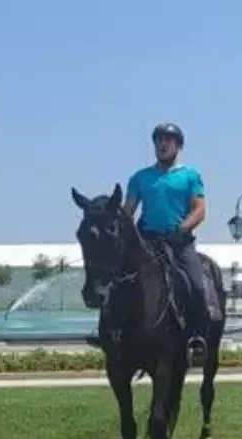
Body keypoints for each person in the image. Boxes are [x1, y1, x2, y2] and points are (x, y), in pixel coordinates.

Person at [96, 122, 210, 363]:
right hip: (147, 241)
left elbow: (199, 210)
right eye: (159, 140)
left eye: (168, 140)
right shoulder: (140, 178)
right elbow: (128, 212)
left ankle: (197, 337)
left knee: (198, 287)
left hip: (179, 243)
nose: (163, 144)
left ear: (178, 146)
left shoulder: (190, 176)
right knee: (117, 282)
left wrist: (182, 229)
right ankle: (109, 331)